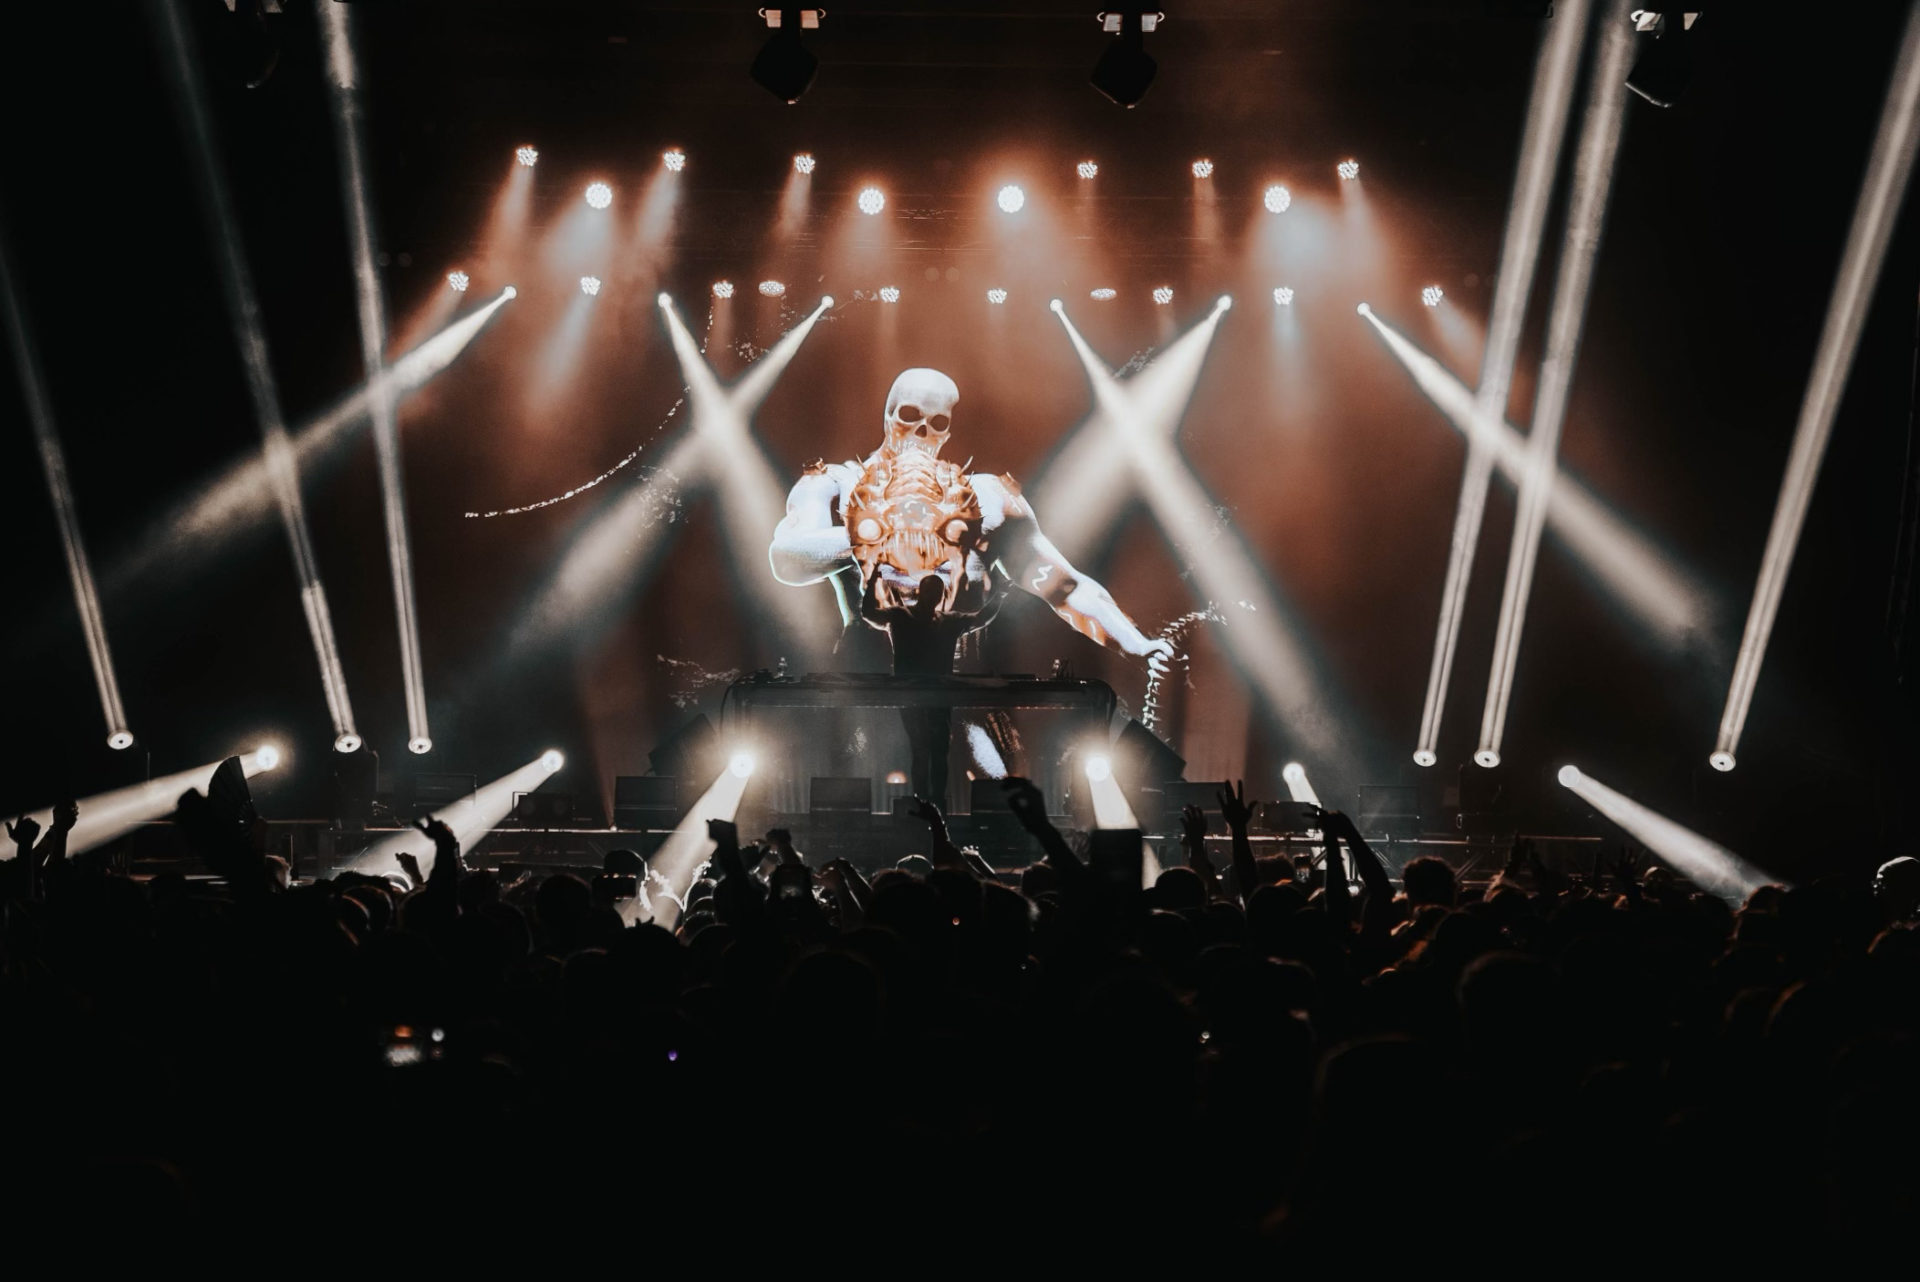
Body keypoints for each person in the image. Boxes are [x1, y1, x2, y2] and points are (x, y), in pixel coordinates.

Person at [769, 367, 1173, 804]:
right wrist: (875, 531)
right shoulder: (834, 484)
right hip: (862, 688)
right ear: (888, 415)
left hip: (962, 686)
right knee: (850, 799)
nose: (922, 431)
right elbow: (787, 557)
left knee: (995, 795)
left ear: (947, 429)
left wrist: (1134, 641)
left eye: (936, 422)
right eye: (909, 415)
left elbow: (1064, 585)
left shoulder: (985, 498)